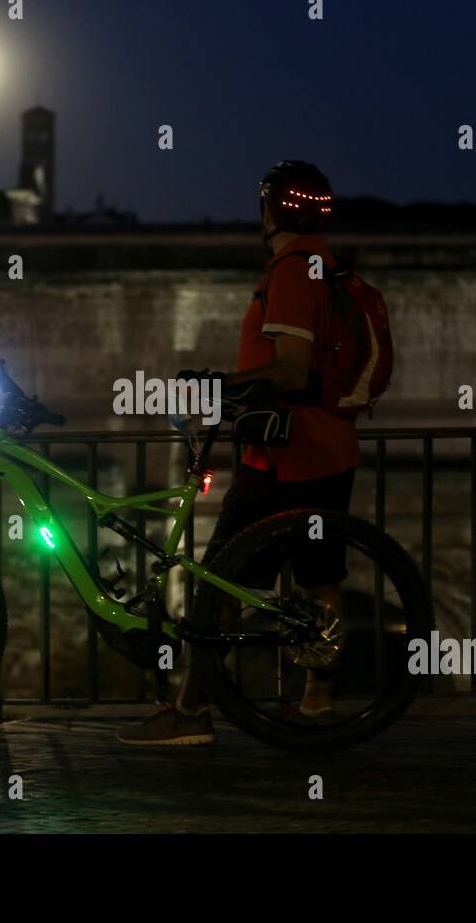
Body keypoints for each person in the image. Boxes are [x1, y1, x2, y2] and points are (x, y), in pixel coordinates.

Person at [118, 160, 360, 746]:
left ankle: (192, 710)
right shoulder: (322, 267)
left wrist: (218, 387)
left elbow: (291, 369)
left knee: (220, 586)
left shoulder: (291, 274)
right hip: (328, 449)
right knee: (320, 580)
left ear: (270, 211)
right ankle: (318, 701)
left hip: (283, 455)